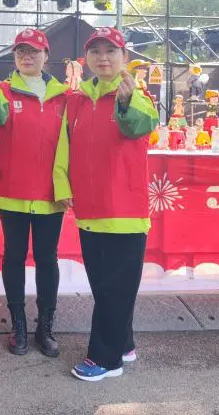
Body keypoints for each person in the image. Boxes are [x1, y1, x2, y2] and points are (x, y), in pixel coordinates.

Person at [60, 27, 159, 382]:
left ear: (124, 57)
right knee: (106, 285)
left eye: (111, 51)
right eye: (96, 51)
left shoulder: (137, 95)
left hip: (124, 210)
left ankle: (106, 358)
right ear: (86, 58)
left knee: (114, 288)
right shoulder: (77, 100)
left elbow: (139, 126)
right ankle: (124, 342)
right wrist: (63, 184)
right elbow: (64, 146)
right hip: (89, 209)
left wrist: (126, 101)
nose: (103, 58)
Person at [0, 27, 70, 357]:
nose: (27, 57)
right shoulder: (1, 90)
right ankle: (18, 325)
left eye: (33, 51)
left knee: (47, 259)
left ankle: (45, 327)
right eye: (21, 51)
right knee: (13, 256)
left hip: (51, 193)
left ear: (46, 55)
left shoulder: (64, 96)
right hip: (13, 190)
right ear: (14, 57)